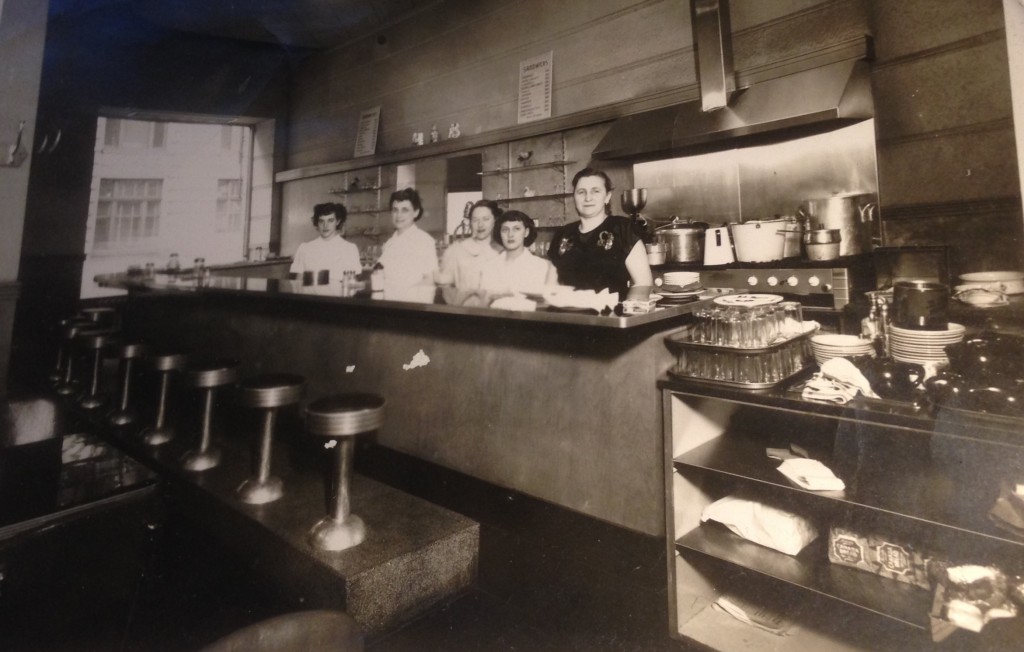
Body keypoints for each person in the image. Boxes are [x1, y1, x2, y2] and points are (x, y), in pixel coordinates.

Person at [547, 167, 653, 294]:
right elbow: (551, 286)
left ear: (607, 197)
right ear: (574, 197)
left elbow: (643, 284)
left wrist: (628, 311)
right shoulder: (562, 234)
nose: (588, 198)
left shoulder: (623, 229)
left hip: (613, 312)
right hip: (569, 312)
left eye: (595, 191)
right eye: (581, 192)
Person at [479, 209, 557, 299]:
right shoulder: (489, 267)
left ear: (526, 232)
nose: (510, 234)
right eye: (505, 230)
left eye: (516, 229)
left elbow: (546, 303)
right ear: (499, 233)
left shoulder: (541, 266)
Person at [376, 187, 439, 288]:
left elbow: (429, 280)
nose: (398, 215)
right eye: (395, 210)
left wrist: (402, 294)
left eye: (405, 210)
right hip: (388, 301)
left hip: (410, 302)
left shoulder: (424, 241)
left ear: (416, 212)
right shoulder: (390, 243)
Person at [436, 199, 503, 290]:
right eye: (475, 220)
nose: (480, 224)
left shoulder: (503, 252)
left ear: (495, 220)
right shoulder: (456, 250)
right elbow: (444, 287)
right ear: (470, 223)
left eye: (486, 219)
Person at [289, 203, 361, 283]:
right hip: (310, 295)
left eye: (330, 221)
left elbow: (352, 283)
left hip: (336, 295)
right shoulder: (305, 248)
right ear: (317, 223)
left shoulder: (349, 249)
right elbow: (298, 283)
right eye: (321, 221)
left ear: (337, 221)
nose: (325, 225)